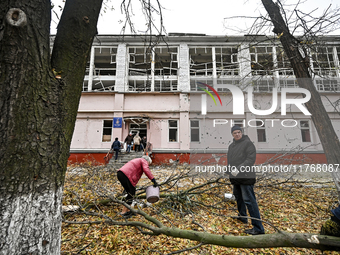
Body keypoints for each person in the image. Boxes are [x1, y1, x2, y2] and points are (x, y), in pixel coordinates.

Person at [227, 125, 265, 235]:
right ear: (232, 135)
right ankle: (242, 217)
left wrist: (238, 169)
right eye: (235, 133)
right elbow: (230, 160)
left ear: (242, 133)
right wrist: (229, 170)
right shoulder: (231, 146)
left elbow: (250, 160)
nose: (237, 134)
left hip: (246, 176)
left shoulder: (248, 144)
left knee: (249, 200)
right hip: (236, 177)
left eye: (239, 132)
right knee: (238, 197)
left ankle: (258, 228)